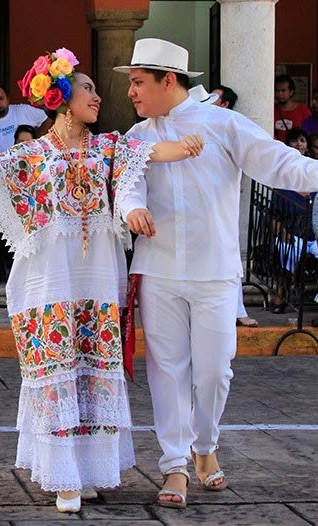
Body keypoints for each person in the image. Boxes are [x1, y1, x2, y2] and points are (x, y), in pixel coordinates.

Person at [0, 47, 203, 513]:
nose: (99, 97)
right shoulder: (34, 153)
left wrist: (185, 146)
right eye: (87, 88)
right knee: (59, 371)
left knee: (92, 372)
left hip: (97, 280)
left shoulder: (107, 148)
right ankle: (63, 477)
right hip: (51, 282)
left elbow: (148, 152)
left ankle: (85, 473)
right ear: (62, 96)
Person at [113, 38, 318, 509]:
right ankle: (174, 466)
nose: (132, 93)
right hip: (159, 269)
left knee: (214, 371)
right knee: (166, 371)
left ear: (169, 80)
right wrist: (133, 210)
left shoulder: (225, 124)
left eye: (139, 82)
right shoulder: (136, 138)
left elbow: (279, 162)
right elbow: (127, 185)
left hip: (215, 270)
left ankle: (204, 446)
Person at [0, 85, 53, 284]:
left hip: (30, 183)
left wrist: (39, 137)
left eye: (1, 98)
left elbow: (51, 118)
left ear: (8, 98)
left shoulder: (23, 111)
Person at [212, 83, 258, 327]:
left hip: (226, 198)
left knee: (230, 250)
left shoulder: (231, 123)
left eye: (215, 97)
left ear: (225, 103)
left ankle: (239, 311)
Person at [271, 128, 317, 313]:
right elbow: (273, 216)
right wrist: (282, 232)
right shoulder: (282, 181)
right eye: (294, 141)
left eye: (302, 140)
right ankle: (280, 295)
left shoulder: (315, 172)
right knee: (285, 252)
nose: (299, 144)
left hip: (315, 236)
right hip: (292, 236)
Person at [274, 74, 311, 143]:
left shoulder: (303, 110)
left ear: (291, 92)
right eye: (277, 91)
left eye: (283, 91)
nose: (279, 94)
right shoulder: (271, 110)